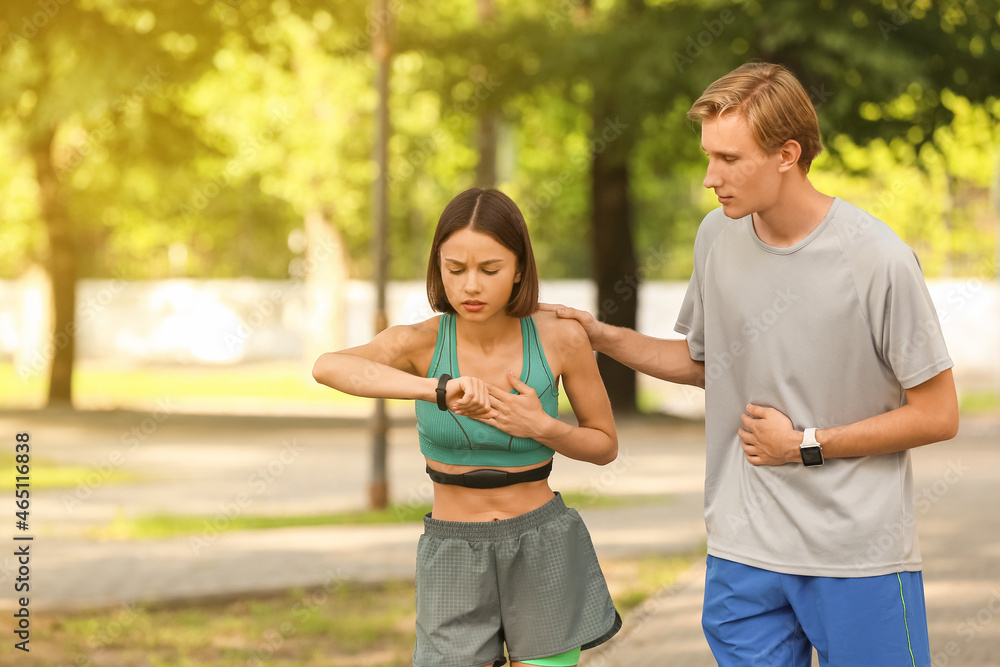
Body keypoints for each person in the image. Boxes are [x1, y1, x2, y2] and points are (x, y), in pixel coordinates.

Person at [541, 61, 958, 666]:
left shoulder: (878, 260)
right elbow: (706, 362)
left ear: (787, 154)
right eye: (709, 157)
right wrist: (602, 337)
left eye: (729, 160)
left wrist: (806, 444)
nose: (711, 178)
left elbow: (939, 413)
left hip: (855, 556)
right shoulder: (717, 237)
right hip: (742, 555)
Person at [312, 187, 622, 667]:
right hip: (453, 544)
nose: (470, 286)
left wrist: (540, 425)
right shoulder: (419, 342)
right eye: (455, 270)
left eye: (489, 270)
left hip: (543, 543)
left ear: (519, 268)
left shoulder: (561, 337)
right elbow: (328, 367)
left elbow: (604, 446)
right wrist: (437, 390)